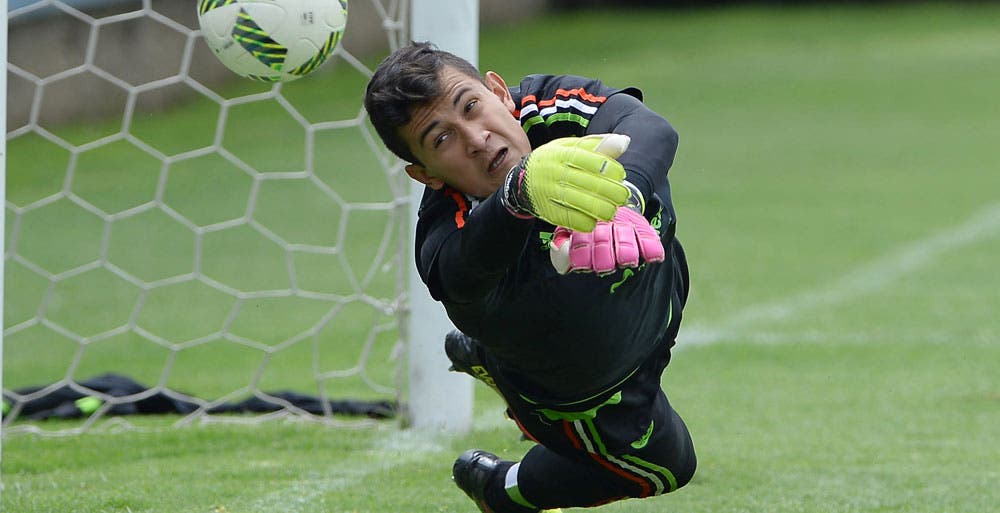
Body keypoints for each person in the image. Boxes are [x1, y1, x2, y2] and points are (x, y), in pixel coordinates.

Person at [364, 41, 696, 512]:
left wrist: (626, 196)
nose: (475, 138)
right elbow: (460, 273)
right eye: (441, 140)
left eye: (471, 106)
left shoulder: (546, 108)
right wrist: (518, 196)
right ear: (426, 175)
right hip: (584, 390)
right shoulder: (445, 232)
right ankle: (500, 488)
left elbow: (650, 127)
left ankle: (479, 355)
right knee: (667, 465)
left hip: (658, 301)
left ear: (500, 92)